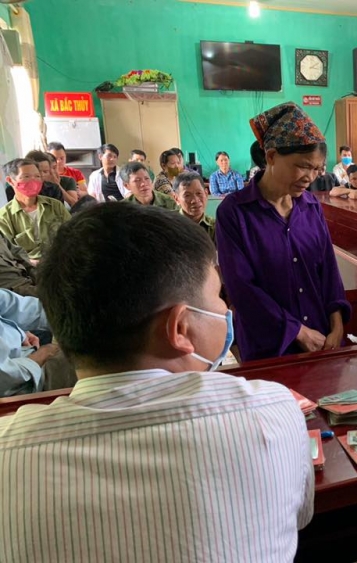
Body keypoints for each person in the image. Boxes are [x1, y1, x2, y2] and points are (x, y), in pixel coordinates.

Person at [0, 202, 314, 561]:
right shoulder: (271, 412)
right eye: (217, 295)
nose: (226, 310)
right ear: (180, 328)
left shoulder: (7, 453)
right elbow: (300, 518)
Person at [216, 101, 351, 361]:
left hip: (321, 340)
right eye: (303, 166)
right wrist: (298, 332)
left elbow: (328, 271)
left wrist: (336, 325)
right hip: (269, 346)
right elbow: (241, 288)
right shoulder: (234, 212)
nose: (310, 177)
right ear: (271, 157)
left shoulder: (311, 207)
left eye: (317, 169)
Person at [0, 289, 72, 396]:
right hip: (21, 383)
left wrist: (17, 331)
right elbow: (5, 377)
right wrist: (41, 355)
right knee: (91, 364)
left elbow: (18, 307)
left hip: (26, 355)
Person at [0, 159, 70, 261]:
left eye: (37, 176)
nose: (33, 181)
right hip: (26, 267)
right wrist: (30, 262)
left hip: (60, 261)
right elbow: (7, 254)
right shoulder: (4, 217)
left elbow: (73, 234)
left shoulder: (55, 206)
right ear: (10, 181)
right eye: (26, 177)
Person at [175, 170, 216, 242]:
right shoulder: (169, 225)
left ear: (206, 194)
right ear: (177, 199)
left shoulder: (216, 226)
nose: (195, 200)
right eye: (187, 195)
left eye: (199, 193)